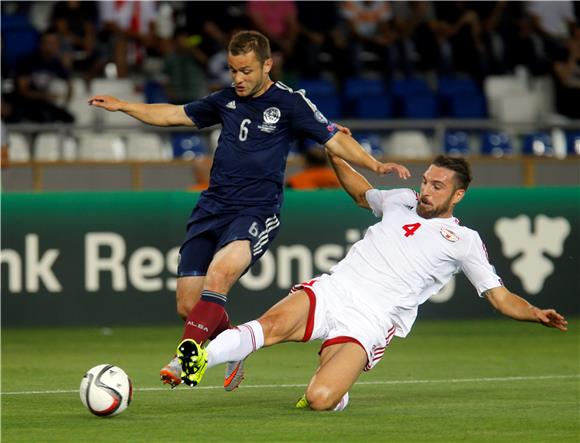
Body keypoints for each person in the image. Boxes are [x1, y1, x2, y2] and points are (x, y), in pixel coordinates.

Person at [88, 30, 409, 391]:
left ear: (266, 65)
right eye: (232, 70)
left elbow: (334, 137)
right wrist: (125, 106)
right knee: (188, 305)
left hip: (256, 210)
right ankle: (234, 347)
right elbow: (173, 115)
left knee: (219, 276)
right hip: (212, 208)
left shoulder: (290, 103)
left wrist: (375, 165)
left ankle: (186, 358)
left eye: (245, 71)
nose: (237, 79)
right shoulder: (225, 100)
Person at [176, 154, 568, 411]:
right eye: (426, 181)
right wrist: (335, 152)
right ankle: (197, 360)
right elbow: (361, 193)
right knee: (271, 326)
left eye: (437, 186)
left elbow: (498, 298)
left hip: (372, 318)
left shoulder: (463, 242)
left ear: (458, 195)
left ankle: (334, 381)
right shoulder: (399, 199)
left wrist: (534, 312)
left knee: (321, 399)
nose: (425, 190)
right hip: (335, 289)